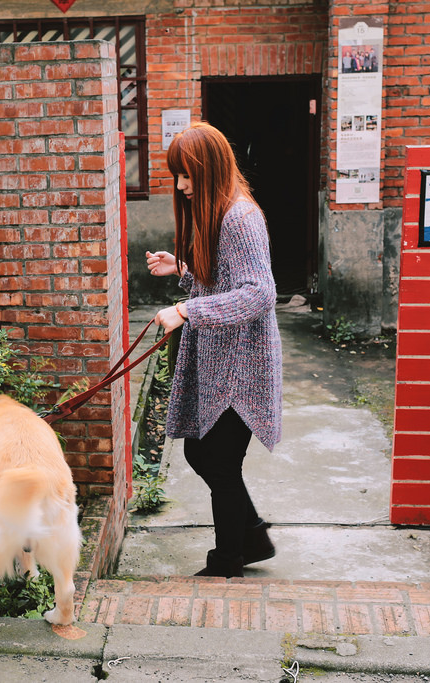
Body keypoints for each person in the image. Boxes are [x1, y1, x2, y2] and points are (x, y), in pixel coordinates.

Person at [145, 121, 282, 578]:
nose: (181, 185)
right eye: (177, 175)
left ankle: (228, 561)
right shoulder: (221, 211)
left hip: (242, 364)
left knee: (217, 461)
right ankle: (252, 537)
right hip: (223, 359)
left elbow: (259, 293)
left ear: (210, 169)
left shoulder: (241, 217)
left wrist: (186, 310)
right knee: (203, 454)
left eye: (187, 175)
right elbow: (225, 280)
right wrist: (183, 270)